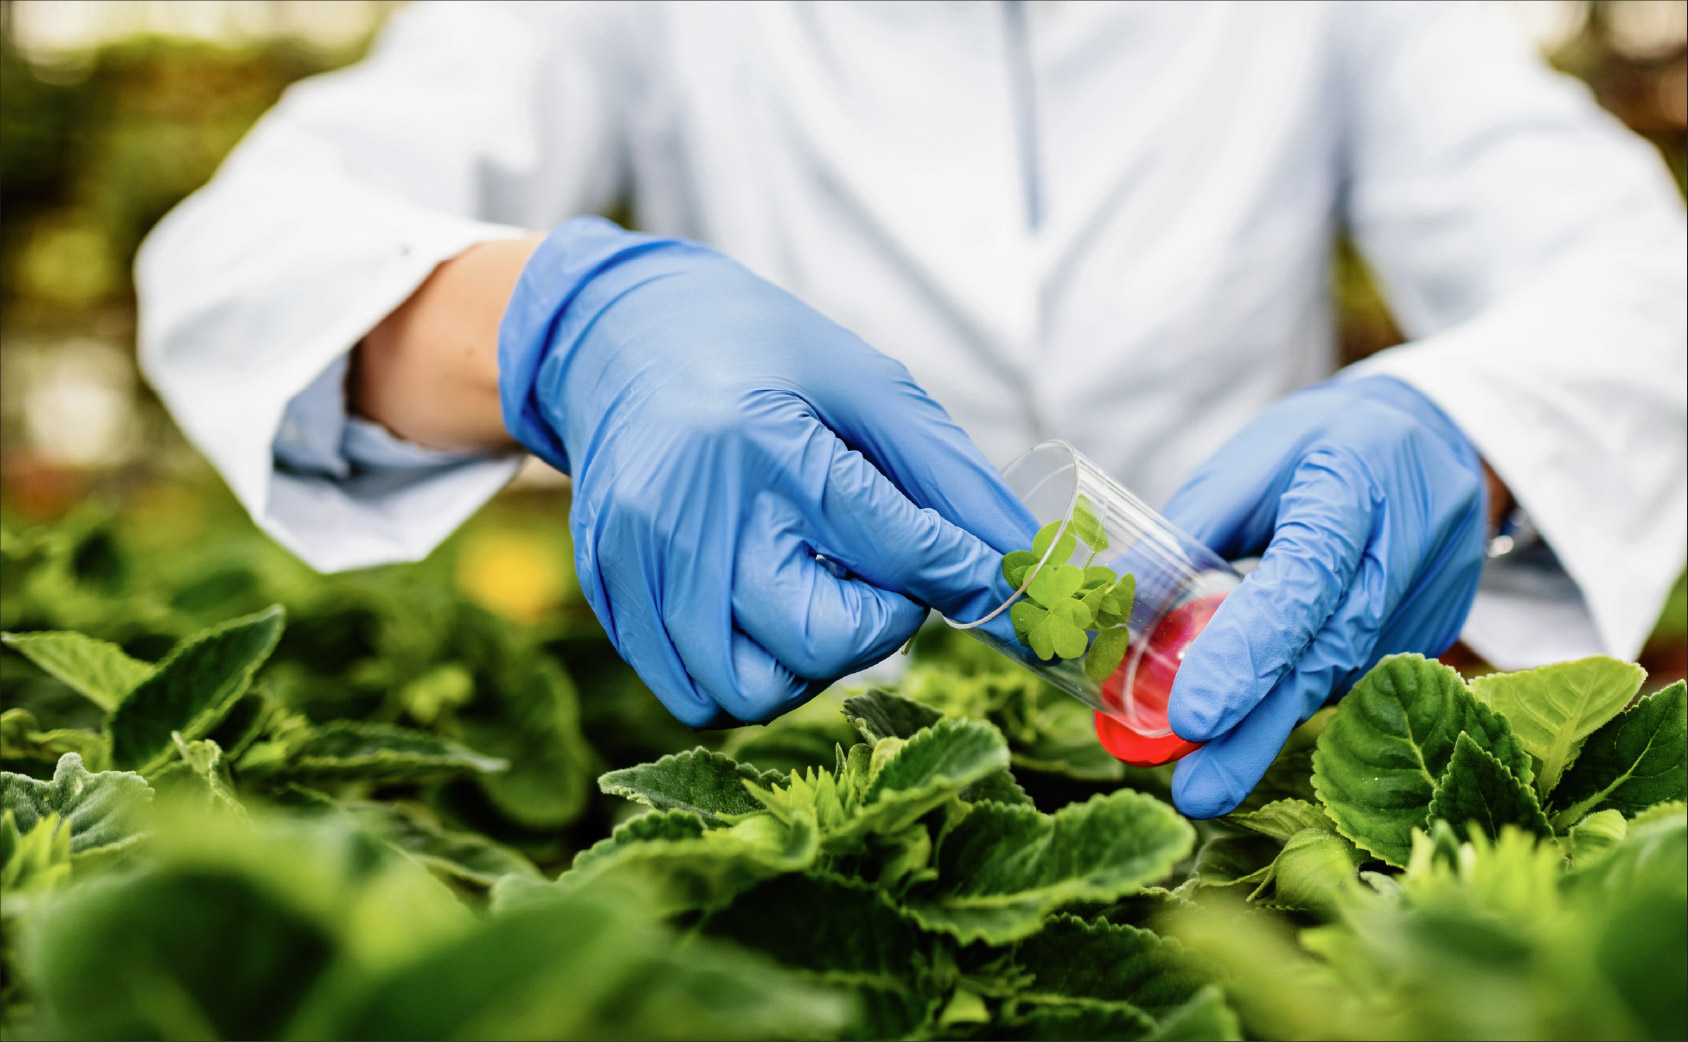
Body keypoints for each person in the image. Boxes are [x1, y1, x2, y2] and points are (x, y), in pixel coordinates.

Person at [135, 1, 1687, 818]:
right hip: (822, 785)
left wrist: (1459, 434)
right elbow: (238, 261)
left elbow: (1634, 268)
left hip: (1252, 721)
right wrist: (564, 330)